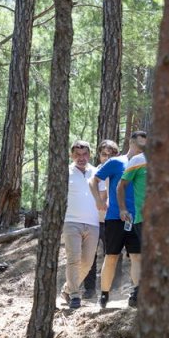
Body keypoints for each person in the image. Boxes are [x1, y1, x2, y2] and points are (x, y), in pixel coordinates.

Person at [90, 131, 144, 308]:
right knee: (112, 256)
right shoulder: (116, 162)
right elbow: (94, 180)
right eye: (139, 144)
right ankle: (104, 295)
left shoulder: (145, 164)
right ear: (131, 143)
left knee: (136, 256)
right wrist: (99, 200)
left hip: (136, 219)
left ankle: (136, 294)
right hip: (115, 217)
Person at [61, 141, 100, 309]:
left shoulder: (97, 172)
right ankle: (75, 295)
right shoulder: (65, 172)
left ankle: (67, 289)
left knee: (87, 262)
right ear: (72, 155)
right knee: (73, 258)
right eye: (77, 155)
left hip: (93, 222)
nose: (81, 158)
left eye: (84, 154)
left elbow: (103, 195)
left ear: (89, 155)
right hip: (71, 221)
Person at [82, 139, 119, 299]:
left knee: (112, 253)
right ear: (98, 155)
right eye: (104, 154)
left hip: (113, 218)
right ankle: (89, 289)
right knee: (89, 254)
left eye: (110, 155)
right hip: (93, 218)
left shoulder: (120, 171)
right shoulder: (92, 172)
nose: (106, 158)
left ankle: (113, 286)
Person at [116, 132, 148, 307]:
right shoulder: (137, 160)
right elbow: (121, 186)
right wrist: (123, 208)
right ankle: (137, 294)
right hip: (143, 218)